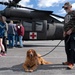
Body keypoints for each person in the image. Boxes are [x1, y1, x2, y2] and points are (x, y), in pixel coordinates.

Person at [62, 2, 75, 69]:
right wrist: (64, 31)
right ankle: (68, 61)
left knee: (72, 49)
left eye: (66, 7)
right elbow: (65, 25)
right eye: (64, 8)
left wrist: (72, 30)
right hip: (67, 34)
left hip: (73, 34)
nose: (65, 9)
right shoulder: (66, 16)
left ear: (70, 6)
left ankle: (71, 63)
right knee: (67, 48)